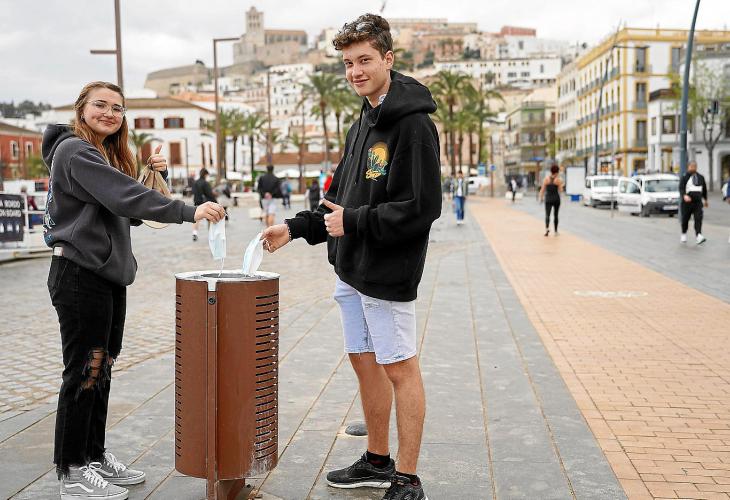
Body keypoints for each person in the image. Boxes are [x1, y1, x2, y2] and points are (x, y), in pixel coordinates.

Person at [262, 14, 440, 500]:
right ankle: (377, 460)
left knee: (399, 368)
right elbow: (338, 197)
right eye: (347, 63)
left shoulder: (414, 125)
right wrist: (294, 228)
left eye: (364, 60)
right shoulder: (362, 121)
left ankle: (408, 479)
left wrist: (356, 222)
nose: (355, 71)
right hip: (350, 270)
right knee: (364, 362)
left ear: (388, 58)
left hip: (387, 271)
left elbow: (423, 207)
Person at [42, 81, 225, 500]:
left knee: (101, 369)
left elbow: (129, 209)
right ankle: (72, 469)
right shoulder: (74, 151)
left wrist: (153, 176)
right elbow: (126, 197)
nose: (109, 113)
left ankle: (92, 455)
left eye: (117, 108)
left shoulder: (101, 154)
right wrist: (187, 211)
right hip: (79, 274)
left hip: (105, 274)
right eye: (100, 105)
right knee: (85, 370)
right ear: (81, 109)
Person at [679, 160, 708, 244]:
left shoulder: (701, 177)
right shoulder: (684, 177)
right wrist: (684, 195)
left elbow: (704, 189)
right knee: (685, 219)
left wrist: (705, 199)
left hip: (697, 202)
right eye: (691, 166)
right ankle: (684, 233)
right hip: (687, 203)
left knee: (698, 218)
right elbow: (681, 188)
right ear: (688, 167)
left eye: (694, 166)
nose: (693, 168)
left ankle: (698, 235)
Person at [192, 168, 217, 241]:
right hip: (205, 203)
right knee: (209, 219)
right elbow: (209, 194)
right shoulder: (205, 183)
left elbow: (193, 192)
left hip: (197, 202)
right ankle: (210, 234)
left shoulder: (195, 182)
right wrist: (215, 202)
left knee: (196, 219)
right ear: (205, 175)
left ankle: (194, 233)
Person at [539, 164, 564, 236]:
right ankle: (555, 231)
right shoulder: (558, 180)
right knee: (556, 215)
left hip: (548, 199)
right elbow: (561, 190)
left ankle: (547, 229)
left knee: (547, 215)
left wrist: (541, 198)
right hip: (556, 199)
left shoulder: (546, 179)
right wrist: (561, 184)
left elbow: (542, 190)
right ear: (557, 172)